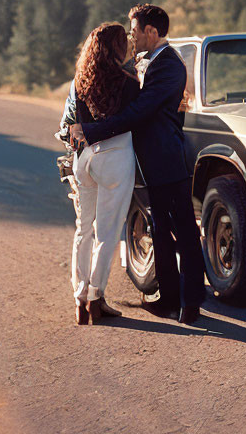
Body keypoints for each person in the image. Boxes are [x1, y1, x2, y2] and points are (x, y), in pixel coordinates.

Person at [70, 4, 205, 324]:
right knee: (160, 231)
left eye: (135, 30)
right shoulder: (143, 63)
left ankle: (191, 302)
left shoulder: (170, 65)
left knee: (184, 230)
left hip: (166, 158)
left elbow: (140, 111)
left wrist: (89, 131)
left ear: (152, 32)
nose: (131, 36)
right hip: (145, 162)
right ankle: (167, 298)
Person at [60, 22, 140, 325]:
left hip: (84, 160)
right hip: (115, 158)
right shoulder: (129, 83)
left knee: (84, 230)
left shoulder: (80, 81)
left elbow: (74, 123)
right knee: (107, 234)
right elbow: (133, 120)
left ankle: (79, 298)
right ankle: (96, 297)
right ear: (117, 48)